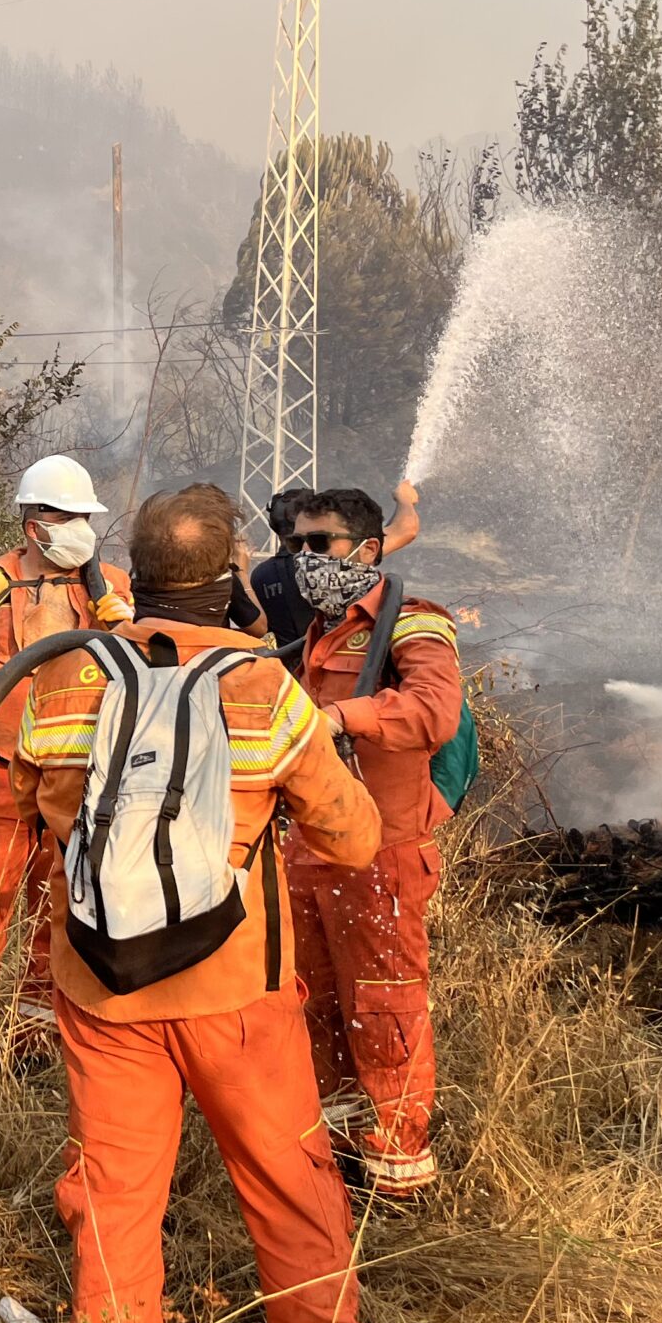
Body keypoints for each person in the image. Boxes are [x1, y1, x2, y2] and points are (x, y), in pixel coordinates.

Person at [13, 487, 393, 1323]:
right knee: (289, 1185)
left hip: (102, 993)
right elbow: (353, 840)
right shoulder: (264, 690)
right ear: (229, 581)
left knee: (115, 1203)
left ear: (130, 574)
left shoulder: (62, 681)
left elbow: (41, 805)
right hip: (236, 997)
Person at [0, 455, 133, 1046]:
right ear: (35, 525)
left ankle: (33, 1041)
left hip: (80, 780)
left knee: (59, 910)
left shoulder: (111, 587)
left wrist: (128, 634)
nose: (83, 529)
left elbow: (147, 683)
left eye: (87, 517)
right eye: (70, 516)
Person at [281, 485, 462, 1201]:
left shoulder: (414, 624)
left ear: (365, 549)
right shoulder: (320, 628)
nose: (303, 558)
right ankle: (340, 1159)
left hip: (380, 856)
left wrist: (341, 718)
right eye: (295, 544)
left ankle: (396, 1179)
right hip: (311, 850)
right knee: (315, 1006)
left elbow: (432, 712)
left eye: (317, 544)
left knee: (384, 1009)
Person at [251, 479, 420, 653]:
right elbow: (406, 529)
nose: (307, 555)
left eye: (320, 542)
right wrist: (405, 500)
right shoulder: (335, 556)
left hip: (289, 669)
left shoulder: (261, 575)